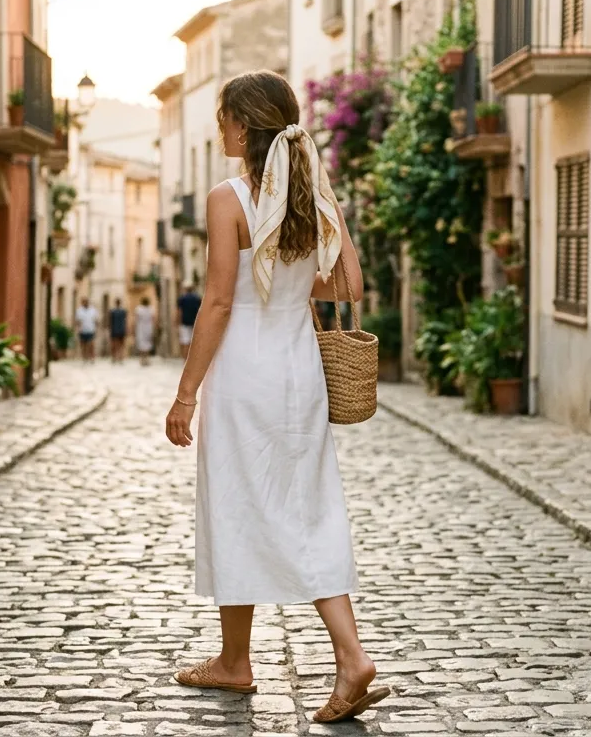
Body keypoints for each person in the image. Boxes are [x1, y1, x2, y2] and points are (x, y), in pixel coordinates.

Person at [163, 70, 387, 724]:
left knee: (247, 504)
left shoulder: (229, 198)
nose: (218, 128)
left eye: (222, 117)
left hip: (244, 375)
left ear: (243, 124)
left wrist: (185, 395)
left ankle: (349, 659)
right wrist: (323, 229)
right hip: (299, 376)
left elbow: (221, 300)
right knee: (301, 507)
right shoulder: (311, 197)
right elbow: (345, 284)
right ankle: (237, 660)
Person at [176, 285, 201, 360]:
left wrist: (177, 322)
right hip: (195, 323)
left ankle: (185, 360)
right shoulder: (197, 299)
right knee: (193, 343)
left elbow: (179, 312)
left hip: (184, 323)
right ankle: (192, 360)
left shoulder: (182, 299)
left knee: (185, 343)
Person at [74, 298, 99, 363]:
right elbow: (77, 321)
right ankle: (84, 358)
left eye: (86, 302)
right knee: (83, 345)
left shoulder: (93, 310)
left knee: (91, 345)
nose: (85, 303)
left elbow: (96, 320)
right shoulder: (79, 310)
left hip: (91, 330)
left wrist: (96, 329)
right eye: (84, 302)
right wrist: (78, 329)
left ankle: (92, 358)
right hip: (82, 330)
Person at [134, 297, 155, 366]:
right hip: (149, 327)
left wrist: (134, 327)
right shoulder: (151, 309)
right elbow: (153, 319)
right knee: (147, 343)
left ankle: (142, 359)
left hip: (141, 327)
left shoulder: (139, 309)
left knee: (141, 343)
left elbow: (136, 319)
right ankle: (147, 359)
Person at [108, 298, 129, 363]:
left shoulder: (123, 311)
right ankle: (116, 357)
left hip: (120, 329)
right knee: (115, 345)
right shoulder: (113, 311)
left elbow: (125, 321)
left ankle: (120, 357)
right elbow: (110, 321)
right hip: (116, 329)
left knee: (120, 344)